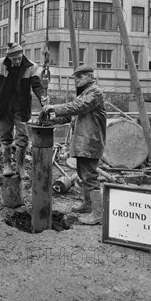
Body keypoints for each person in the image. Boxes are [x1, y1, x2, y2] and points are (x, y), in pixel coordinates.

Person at [40, 64, 106, 225]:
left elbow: (78, 107)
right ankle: (88, 203)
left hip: (91, 141)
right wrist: (51, 118)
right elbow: (70, 116)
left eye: (80, 77)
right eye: (75, 77)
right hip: (82, 143)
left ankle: (98, 213)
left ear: (91, 77)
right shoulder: (83, 94)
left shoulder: (95, 93)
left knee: (90, 176)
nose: (77, 80)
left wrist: (54, 107)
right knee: (83, 174)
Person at [0, 42, 47, 178]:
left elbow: (37, 85)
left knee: (23, 137)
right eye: (14, 59)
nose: (18, 61)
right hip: (3, 106)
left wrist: (43, 98)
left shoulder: (31, 67)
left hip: (20, 106)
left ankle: (20, 167)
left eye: (19, 58)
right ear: (9, 58)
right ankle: (7, 165)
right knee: (5, 137)